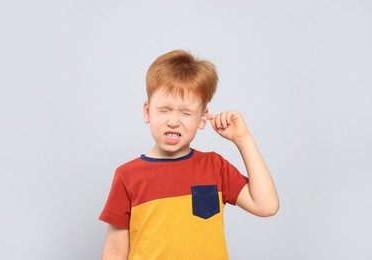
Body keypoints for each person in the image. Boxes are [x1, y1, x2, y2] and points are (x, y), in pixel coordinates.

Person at [99, 50, 279, 260]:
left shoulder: (215, 167)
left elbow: (266, 205)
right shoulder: (127, 176)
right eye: (164, 109)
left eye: (185, 112)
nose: (173, 121)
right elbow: (114, 251)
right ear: (147, 111)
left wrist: (243, 138)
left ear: (203, 118)